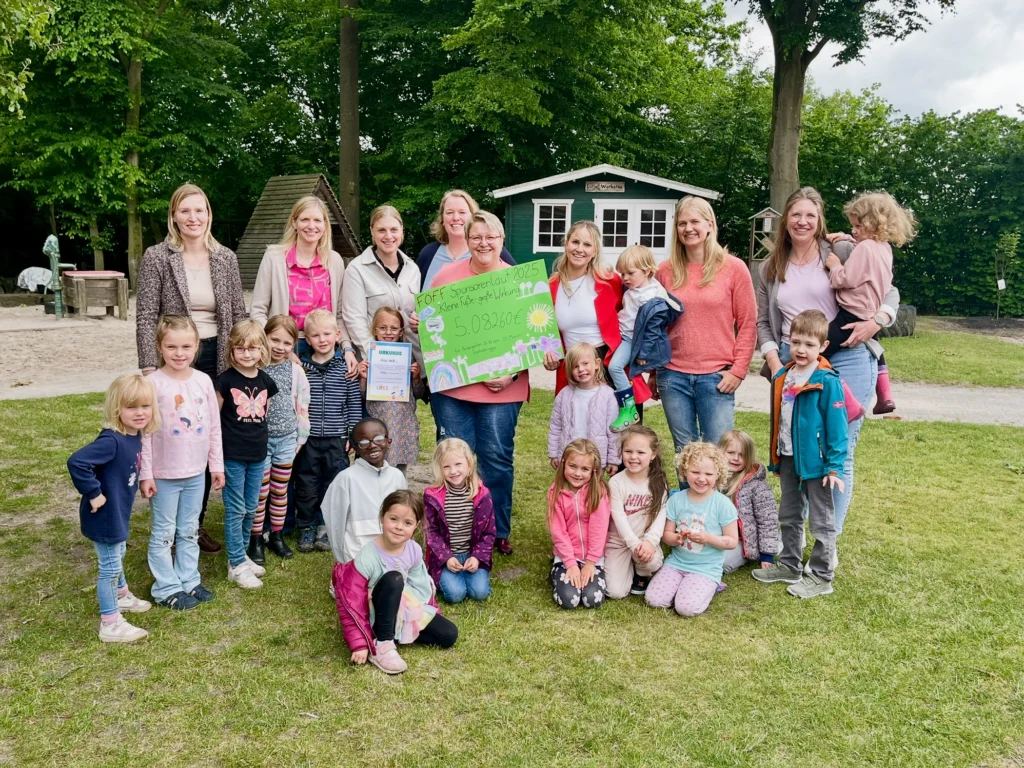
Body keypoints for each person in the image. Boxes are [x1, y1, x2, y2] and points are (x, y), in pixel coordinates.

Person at [756, 187, 901, 540]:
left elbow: (889, 289)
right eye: (795, 215)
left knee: (840, 449)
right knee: (798, 448)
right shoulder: (769, 267)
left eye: (810, 215)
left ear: (819, 219)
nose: (802, 221)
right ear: (785, 220)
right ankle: (797, 537)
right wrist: (776, 362)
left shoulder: (844, 249)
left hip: (849, 353)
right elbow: (763, 322)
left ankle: (827, 541)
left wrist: (877, 320)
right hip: (796, 361)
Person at [136, 183, 247, 554]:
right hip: (175, 353)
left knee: (203, 437)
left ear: (209, 215)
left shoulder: (225, 257)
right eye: (185, 211)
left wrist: (242, 358)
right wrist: (150, 366)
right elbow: (146, 314)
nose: (193, 218)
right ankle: (166, 527)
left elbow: (237, 311)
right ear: (174, 216)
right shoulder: (157, 257)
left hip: (217, 355)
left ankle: (194, 525)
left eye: (199, 210)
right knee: (171, 437)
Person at [430, 211, 529, 556]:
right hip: (454, 388)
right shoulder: (445, 277)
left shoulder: (520, 282)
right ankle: (457, 531)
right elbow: (436, 334)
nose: (484, 243)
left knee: (496, 459)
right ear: (466, 240)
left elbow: (534, 335)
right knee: (456, 460)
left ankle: (497, 530)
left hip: (503, 390)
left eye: (491, 237)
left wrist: (512, 372)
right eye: (476, 237)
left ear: (502, 240)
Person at [753, 310, 848, 599]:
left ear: (822, 347)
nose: (801, 350)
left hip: (818, 465)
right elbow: (779, 421)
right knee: (790, 514)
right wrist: (777, 458)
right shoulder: (782, 375)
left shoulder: (827, 381)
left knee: (821, 520)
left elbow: (838, 428)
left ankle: (821, 576)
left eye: (809, 344)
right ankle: (790, 565)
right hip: (789, 458)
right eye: (796, 342)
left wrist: (834, 467)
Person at [654, 197, 757, 464]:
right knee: (684, 454)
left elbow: (748, 322)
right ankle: (687, 507)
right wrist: (654, 370)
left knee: (718, 455)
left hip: (716, 378)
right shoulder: (665, 271)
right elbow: (655, 325)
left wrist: (738, 370)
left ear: (710, 225)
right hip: (673, 376)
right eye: (682, 223)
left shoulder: (733, 268)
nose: (688, 228)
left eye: (695, 222)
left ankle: (719, 507)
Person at [139, 316, 224, 610]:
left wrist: (216, 466)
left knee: (189, 529)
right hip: (163, 473)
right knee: (164, 533)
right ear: (159, 347)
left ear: (197, 346)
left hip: (196, 473)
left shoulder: (203, 381)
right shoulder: (152, 384)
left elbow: (213, 426)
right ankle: (166, 587)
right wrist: (146, 474)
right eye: (171, 346)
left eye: (186, 346)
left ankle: (189, 579)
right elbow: (145, 434)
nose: (179, 353)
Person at [67, 374, 160, 643]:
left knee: (117, 554)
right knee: (109, 567)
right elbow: (77, 462)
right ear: (117, 409)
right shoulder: (112, 440)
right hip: (104, 516)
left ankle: (122, 596)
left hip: (119, 510)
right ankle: (110, 623)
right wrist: (94, 494)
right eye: (132, 407)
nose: (140, 413)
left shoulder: (135, 435)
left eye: (145, 406)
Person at [333, 490, 458, 675]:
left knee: (448, 634)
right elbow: (351, 603)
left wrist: (432, 614)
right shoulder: (367, 557)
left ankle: (397, 634)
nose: (399, 527)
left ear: (415, 526)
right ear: (382, 517)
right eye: (393, 519)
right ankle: (382, 644)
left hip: (404, 608)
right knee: (394, 579)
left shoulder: (413, 549)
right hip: (376, 616)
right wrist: (359, 644)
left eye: (407, 523)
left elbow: (423, 586)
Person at [824, 191, 917, 415]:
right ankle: (885, 396)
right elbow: (864, 256)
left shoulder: (864, 249)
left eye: (858, 227)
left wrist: (835, 266)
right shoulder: (883, 247)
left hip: (850, 315)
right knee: (875, 349)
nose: (854, 231)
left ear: (873, 224)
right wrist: (847, 238)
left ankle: (850, 402)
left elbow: (846, 279)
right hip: (869, 314)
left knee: (817, 352)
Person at [543, 221, 652, 409]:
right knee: (577, 432)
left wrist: (645, 351)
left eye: (587, 244)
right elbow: (545, 331)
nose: (580, 249)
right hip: (574, 367)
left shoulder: (612, 281)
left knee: (624, 434)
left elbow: (645, 308)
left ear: (595, 250)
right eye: (575, 242)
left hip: (610, 361)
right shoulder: (551, 286)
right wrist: (548, 353)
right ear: (566, 243)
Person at [249, 195, 358, 370]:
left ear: (324, 226)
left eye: (317, 220)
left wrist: (347, 348)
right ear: (294, 223)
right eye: (305, 219)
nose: (311, 226)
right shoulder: (274, 258)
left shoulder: (334, 261)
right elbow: (258, 311)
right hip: (284, 346)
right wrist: (280, 348)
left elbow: (339, 314)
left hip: (326, 346)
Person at [214, 319, 278, 590]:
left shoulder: (266, 381)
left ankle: (240, 557)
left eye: (252, 348)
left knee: (252, 508)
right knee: (235, 509)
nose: (247, 354)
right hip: (232, 455)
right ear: (231, 350)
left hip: (258, 455)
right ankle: (236, 563)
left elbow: (264, 415)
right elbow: (214, 420)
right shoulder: (224, 381)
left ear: (262, 350)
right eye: (240, 348)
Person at [295, 309, 363, 553]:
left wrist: (352, 434)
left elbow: (354, 403)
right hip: (308, 439)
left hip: (337, 438)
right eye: (315, 335)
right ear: (307, 338)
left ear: (337, 335)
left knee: (333, 483)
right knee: (306, 483)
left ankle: (326, 526)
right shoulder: (301, 368)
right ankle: (307, 526)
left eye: (327, 334)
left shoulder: (346, 368)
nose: (322, 340)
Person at [645, 442, 738, 617]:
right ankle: (684, 586)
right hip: (676, 564)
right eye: (695, 472)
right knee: (654, 600)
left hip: (706, 568)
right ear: (684, 471)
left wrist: (708, 538)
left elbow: (732, 541)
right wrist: (676, 539)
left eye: (708, 474)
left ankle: (711, 585)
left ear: (718, 475)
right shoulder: (676, 500)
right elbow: (667, 535)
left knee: (685, 608)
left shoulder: (723, 504)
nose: (701, 478)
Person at [249, 315, 310, 564]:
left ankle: (276, 535)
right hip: (260, 442)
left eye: (287, 342)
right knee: (259, 491)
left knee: (280, 490)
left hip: (286, 440)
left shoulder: (295, 370)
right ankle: (255, 537)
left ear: (294, 344)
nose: (279, 347)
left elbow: (303, 404)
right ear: (264, 338)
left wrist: (300, 437)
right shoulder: (255, 369)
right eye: (274, 339)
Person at [341, 205, 422, 366]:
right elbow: (355, 320)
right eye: (381, 230)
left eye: (394, 229)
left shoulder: (413, 269)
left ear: (402, 231)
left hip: (413, 362)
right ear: (372, 231)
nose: (388, 236)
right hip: (375, 362)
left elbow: (416, 315)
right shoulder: (357, 269)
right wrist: (377, 356)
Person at [607, 245, 674, 431]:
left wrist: (642, 352)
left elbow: (654, 329)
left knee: (615, 367)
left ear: (646, 270)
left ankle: (628, 409)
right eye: (622, 274)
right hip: (620, 335)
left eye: (630, 273)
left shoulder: (651, 297)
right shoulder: (638, 287)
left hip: (630, 340)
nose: (625, 278)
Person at [322, 418, 407, 566]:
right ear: (355, 447)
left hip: (391, 547)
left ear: (389, 441)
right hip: (357, 550)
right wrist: (342, 561)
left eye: (378, 439)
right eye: (364, 442)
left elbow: (405, 515)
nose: (372, 446)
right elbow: (334, 520)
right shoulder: (346, 478)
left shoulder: (396, 476)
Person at [423, 439, 496, 604]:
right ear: (439, 469)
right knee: (455, 595)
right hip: (446, 556)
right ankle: (442, 577)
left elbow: (489, 532)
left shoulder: (482, 494)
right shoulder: (432, 496)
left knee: (480, 593)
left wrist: (477, 557)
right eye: (446, 467)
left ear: (469, 465)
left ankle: (472, 575)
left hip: (472, 555)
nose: (453, 471)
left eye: (458, 464)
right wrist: (446, 557)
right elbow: (431, 532)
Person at [356, 307, 425, 475]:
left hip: (402, 424)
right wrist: (363, 378)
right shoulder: (370, 358)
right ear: (374, 330)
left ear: (401, 331)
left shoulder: (408, 357)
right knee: (372, 467)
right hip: (378, 422)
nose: (388, 332)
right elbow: (363, 396)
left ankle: (398, 499)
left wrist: (416, 378)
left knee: (399, 471)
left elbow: (419, 394)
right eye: (383, 327)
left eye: (394, 328)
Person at [604, 425, 667, 599]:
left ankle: (641, 572)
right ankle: (626, 565)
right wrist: (634, 545)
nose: (633, 457)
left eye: (641, 452)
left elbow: (661, 515)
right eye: (628, 451)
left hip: (645, 541)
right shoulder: (616, 483)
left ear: (653, 454)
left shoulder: (658, 481)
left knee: (652, 562)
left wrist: (650, 542)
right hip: (619, 542)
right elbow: (618, 516)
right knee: (615, 592)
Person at [547, 439, 611, 610]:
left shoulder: (599, 492)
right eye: (572, 466)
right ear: (563, 464)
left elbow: (599, 530)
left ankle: (590, 574)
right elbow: (558, 531)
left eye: (585, 469)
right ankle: (556, 572)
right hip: (567, 558)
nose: (577, 473)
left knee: (592, 600)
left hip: (594, 559)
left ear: (594, 470)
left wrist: (590, 563)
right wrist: (570, 564)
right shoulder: (556, 492)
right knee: (570, 600)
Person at [417, 189, 515, 291]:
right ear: (442, 219)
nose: (456, 217)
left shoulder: (493, 252)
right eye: (449, 212)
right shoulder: (428, 254)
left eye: (462, 212)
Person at [547, 342, 620, 476]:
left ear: (597, 364)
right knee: (570, 492)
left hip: (596, 459)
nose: (581, 369)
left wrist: (614, 460)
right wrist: (553, 453)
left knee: (594, 494)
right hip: (570, 457)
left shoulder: (608, 395)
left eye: (585, 363)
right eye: (575, 366)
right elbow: (555, 426)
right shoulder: (564, 395)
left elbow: (614, 429)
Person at [718, 429, 780, 574]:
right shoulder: (712, 478)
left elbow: (768, 520)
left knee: (722, 562)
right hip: (718, 535)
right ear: (720, 452)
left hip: (743, 540)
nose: (736, 458)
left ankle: (779, 543)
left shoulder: (757, 486)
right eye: (731, 453)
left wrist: (767, 555)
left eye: (742, 455)